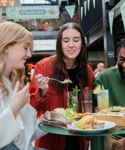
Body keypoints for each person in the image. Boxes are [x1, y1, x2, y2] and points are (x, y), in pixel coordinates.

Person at [29, 22, 95, 150]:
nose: (71, 45)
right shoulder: (43, 67)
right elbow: (32, 107)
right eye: (66, 40)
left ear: (82, 44)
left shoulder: (87, 72)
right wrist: (42, 91)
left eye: (76, 40)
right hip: (50, 138)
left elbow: (88, 107)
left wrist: (87, 138)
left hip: (78, 137)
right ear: (59, 44)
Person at [0, 21, 48, 150]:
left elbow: (25, 137)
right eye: (25, 48)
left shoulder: (14, 81)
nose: (29, 55)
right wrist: (13, 109)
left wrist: (45, 121)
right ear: (6, 46)